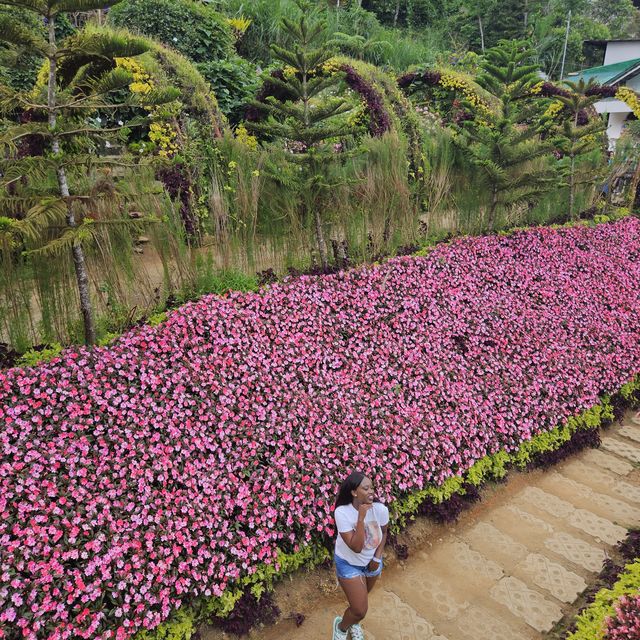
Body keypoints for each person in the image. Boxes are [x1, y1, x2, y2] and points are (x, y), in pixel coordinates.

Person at [332, 471, 389, 640]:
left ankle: (353, 623)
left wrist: (377, 558)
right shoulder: (342, 512)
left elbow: (384, 533)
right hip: (348, 564)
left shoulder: (380, 510)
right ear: (354, 492)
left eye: (372, 487)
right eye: (366, 488)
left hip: (372, 563)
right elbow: (356, 547)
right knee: (360, 610)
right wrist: (361, 517)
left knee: (358, 604)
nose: (371, 491)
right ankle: (341, 628)